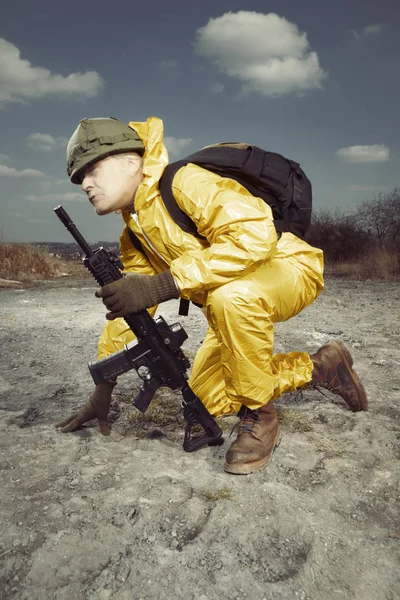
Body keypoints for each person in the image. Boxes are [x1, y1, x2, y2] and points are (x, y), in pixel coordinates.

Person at [56, 116, 368, 475]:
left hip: (288, 266)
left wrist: (165, 283)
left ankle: (262, 416)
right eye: (79, 177)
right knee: (209, 400)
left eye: (92, 169)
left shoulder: (185, 182)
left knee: (230, 298)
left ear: (131, 160)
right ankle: (321, 367)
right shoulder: (135, 234)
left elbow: (253, 236)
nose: (85, 183)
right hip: (231, 299)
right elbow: (135, 315)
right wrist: (104, 386)